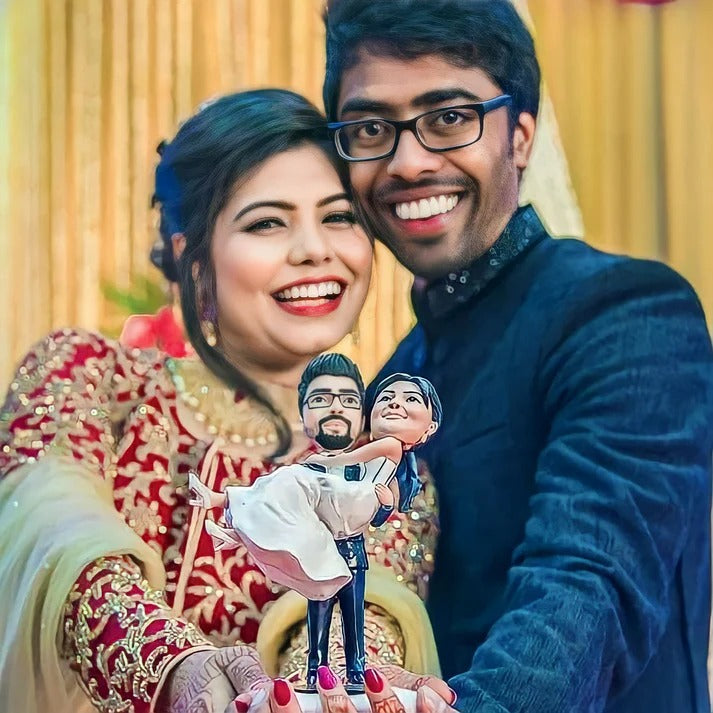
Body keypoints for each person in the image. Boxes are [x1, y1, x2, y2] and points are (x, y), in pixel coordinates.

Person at [322, 1, 713, 712]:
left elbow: (587, 585)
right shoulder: (393, 381)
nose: (409, 162)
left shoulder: (624, 312)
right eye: (371, 129)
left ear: (521, 136)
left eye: (449, 117)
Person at [0, 89, 443, 713]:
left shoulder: (388, 455)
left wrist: (327, 690)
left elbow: (364, 611)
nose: (314, 249)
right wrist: (176, 669)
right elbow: (58, 543)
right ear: (194, 258)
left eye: (339, 217)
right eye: (267, 222)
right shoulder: (90, 377)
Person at [190, 359, 441, 691]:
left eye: (349, 400)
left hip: (350, 540)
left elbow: (372, 494)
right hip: (326, 540)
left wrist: (329, 463)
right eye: (387, 397)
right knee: (319, 615)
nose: (395, 404)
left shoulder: (390, 450)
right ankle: (318, 672)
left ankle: (347, 672)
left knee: (350, 617)